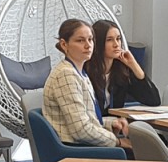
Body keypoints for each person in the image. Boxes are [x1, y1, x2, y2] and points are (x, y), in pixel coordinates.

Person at [42, 18, 128, 148]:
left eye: (90, 39)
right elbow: (80, 130)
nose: (88, 45)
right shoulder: (66, 74)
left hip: (80, 144)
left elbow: (88, 119)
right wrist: (118, 142)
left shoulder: (80, 73)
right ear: (64, 45)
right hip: (74, 148)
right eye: (80, 40)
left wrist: (111, 123)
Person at [87, 19, 160, 116]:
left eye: (118, 39)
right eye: (109, 40)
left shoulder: (121, 71)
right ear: (98, 43)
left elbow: (153, 100)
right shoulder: (86, 71)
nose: (116, 44)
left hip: (116, 124)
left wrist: (134, 65)